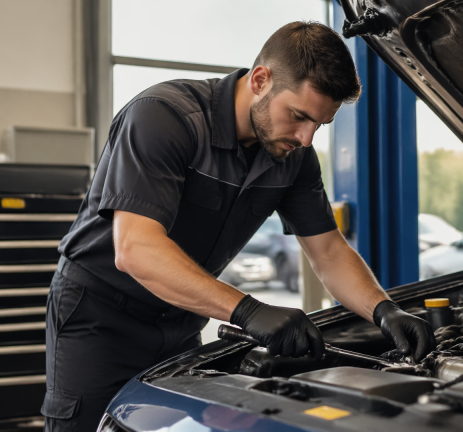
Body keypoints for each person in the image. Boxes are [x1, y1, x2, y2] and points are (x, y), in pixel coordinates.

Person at [42, 21, 435, 431]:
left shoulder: (294, 157)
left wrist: (383, 310)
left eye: (319, 125)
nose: (305, 138)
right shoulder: (165, 118)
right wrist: (247, 310)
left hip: (182, 317)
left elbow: (329, 251)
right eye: (299, 116)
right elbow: (136, 248)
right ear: (261, 79)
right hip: (101, 317)